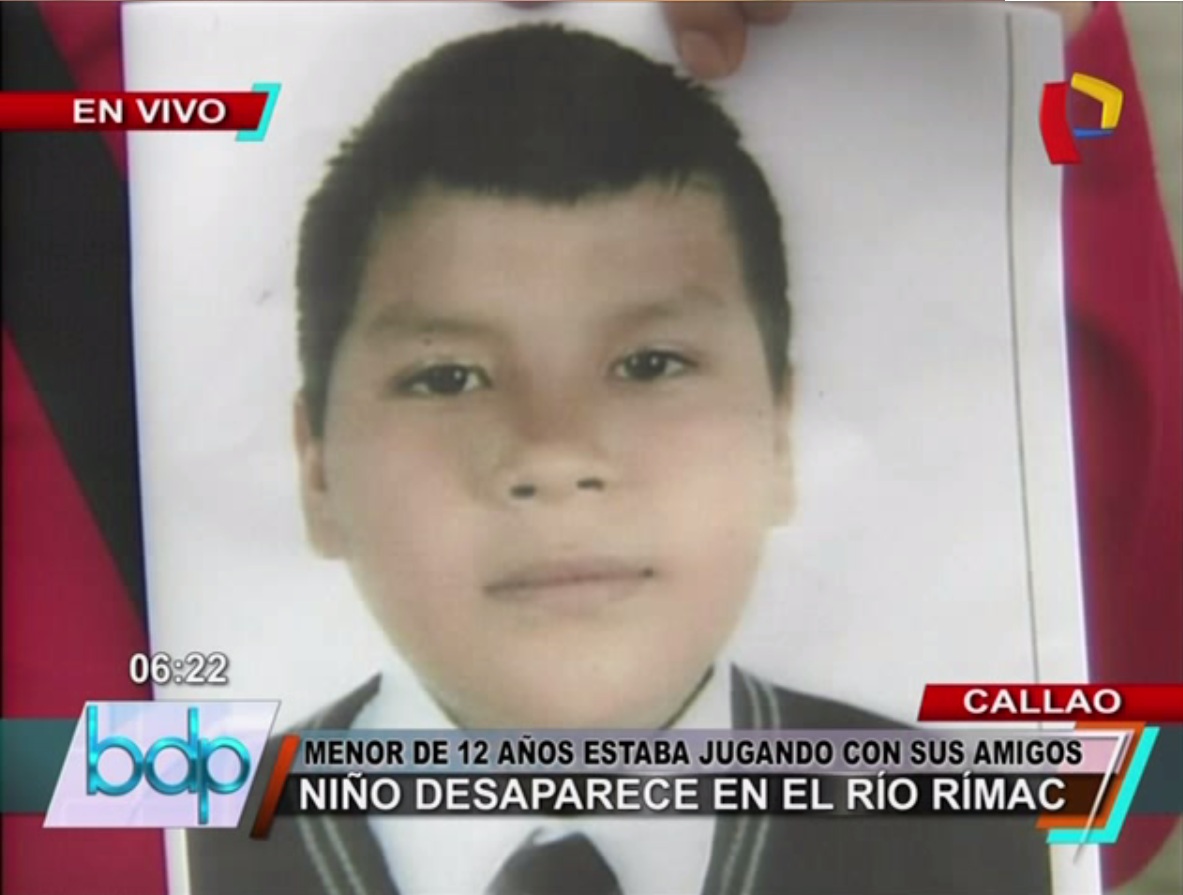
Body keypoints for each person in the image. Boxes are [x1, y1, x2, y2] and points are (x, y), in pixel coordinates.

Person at [3, 4, 1177, 895]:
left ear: (783, 430)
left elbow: (1128, 773)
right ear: (315, 465)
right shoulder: (175, 804)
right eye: (446, 376)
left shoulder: (968, 818)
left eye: (650, 362)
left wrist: (1036, 38)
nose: (554, 454)